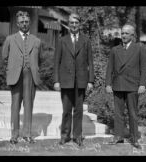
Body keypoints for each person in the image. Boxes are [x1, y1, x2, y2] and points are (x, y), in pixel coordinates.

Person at [53, 13, 94, 146]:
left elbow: (90, 63)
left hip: (81, 81)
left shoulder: (86, 41)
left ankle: (77, 136)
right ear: (68, 24)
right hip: (65, 81)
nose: (74, 25)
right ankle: (64, 136)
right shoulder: (62, 40)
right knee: (66, 110)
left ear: (79, 24)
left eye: (76, 23)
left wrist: (90, 81)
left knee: (78, 110)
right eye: (71, 23)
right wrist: (56, 80)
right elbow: (56, 62)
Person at [2, 11, 42, 144]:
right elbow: (4, 57)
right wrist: (11, 70)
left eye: (26, 22)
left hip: (30, 76)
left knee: (29, 105)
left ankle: (27, 134)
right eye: (21, 22)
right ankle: (14, 135)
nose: (24, 24)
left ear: (29, 23)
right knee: (15, 106)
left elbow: (39, 60)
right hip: (16, 76)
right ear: (17, 24)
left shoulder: (37, 40)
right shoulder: (10, 39)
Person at [105, 24, 146, 148]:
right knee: (118, 113)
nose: (123, 35)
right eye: (122, 33)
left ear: (132, 35)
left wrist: (142, 84)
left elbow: (144, 68)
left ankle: (134, 138)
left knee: (132, 113)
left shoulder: (139, 49)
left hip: (132, 85)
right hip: (118, 84)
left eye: (126, 33)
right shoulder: (115, 50)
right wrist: (108, 83)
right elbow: (110, 68)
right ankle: (118, 136)